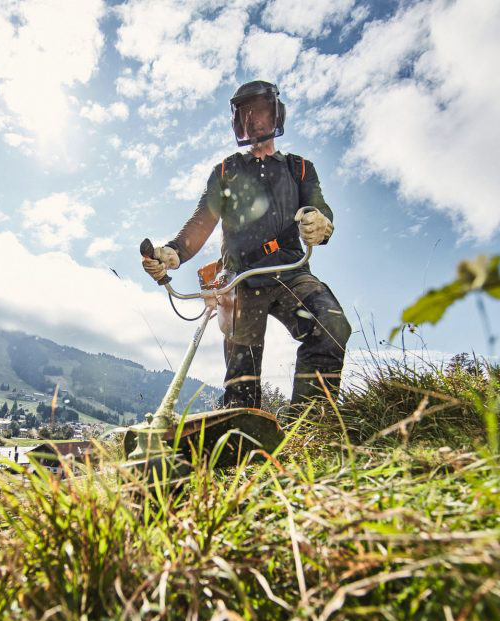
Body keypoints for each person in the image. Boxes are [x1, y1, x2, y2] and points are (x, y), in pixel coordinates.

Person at [141, 80, 351, 410]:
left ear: (276, 113)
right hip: (239, 280)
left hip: (290, 272)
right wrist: (174, 252)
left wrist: (321, 223)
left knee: (331, 325)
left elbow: (318, 207)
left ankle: (309, 426)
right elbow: (202, 220)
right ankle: (243, 440)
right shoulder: (226, 171)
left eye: (262, 110)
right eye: (246, 113)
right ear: (239, 121)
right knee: (242, 379)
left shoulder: (299, 169)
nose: (255, 119)